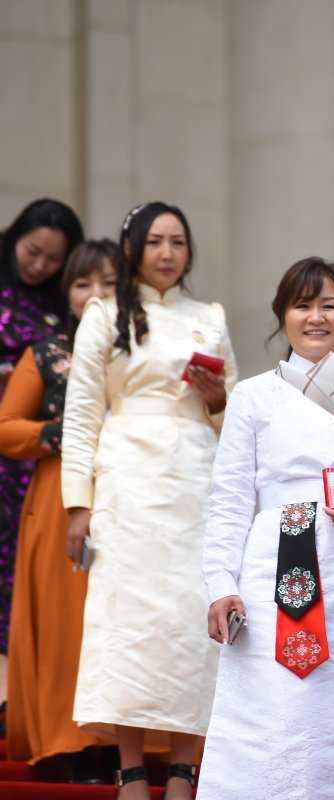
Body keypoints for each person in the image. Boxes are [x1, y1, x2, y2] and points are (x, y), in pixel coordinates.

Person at [198, 257, 334, 799]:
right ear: (282, 315)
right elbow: (229, 500)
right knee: (272, 712)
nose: (316, 317)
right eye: (303, 305)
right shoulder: (253, 395)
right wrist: (220, 583)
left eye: (329, 305)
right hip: (272, 571)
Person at [61, 202, 237, 799]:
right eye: (155, 241)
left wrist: (216, 399)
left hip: (196, 481)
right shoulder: (104, 314)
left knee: (192, 624)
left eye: (178, 242)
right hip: (127, 483)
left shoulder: (209, 316)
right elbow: (82, 414)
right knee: (129, 625)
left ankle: (184, 772)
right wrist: (77, 506)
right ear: (132, 248)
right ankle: (132, 772)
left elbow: (236, 417)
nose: (167, 253)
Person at [0, 240, 116, 777]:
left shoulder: (144, 353)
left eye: (109, 284)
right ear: (66, 292)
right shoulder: (47, 353)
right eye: (83, 284)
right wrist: (60, 433)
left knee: (125, 617)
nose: (96, 295)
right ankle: (67, 743)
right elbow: (5, 427)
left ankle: (126, 742)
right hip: (59, 498)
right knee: (65, 619)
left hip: (133, 493)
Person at [0, 198, 84, 684]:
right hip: (15, 431)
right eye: (32, 252)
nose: (39, 266)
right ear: (14, 237)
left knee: (19, 566)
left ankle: (14, 688)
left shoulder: (62, 304)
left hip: (35, 458)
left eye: (54, 259)